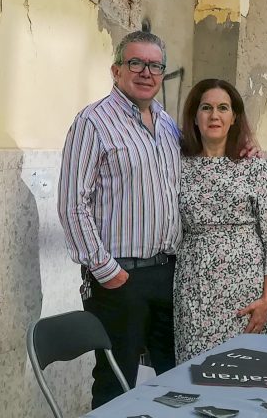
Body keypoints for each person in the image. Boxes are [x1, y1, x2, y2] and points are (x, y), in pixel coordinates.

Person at [58, 31, 181, 408]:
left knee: (175, 376)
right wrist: (103, 267)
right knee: (116, 384)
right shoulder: (93, 122)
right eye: (136, 63)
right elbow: (71, 203)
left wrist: (245, 144)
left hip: (168, 273)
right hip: (120, 280)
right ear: (116, 70)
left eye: (155, 65)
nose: (146, 72)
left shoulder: (167, 123)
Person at [173, 78, 267, 364]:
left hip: (246, 294)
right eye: (206, 108)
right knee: (194, 372)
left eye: (223, 108)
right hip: (194, 291)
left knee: (246, 371)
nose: (214, 115)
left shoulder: (253, 166)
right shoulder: (178, 165)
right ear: (195, 117)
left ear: (234, 117)